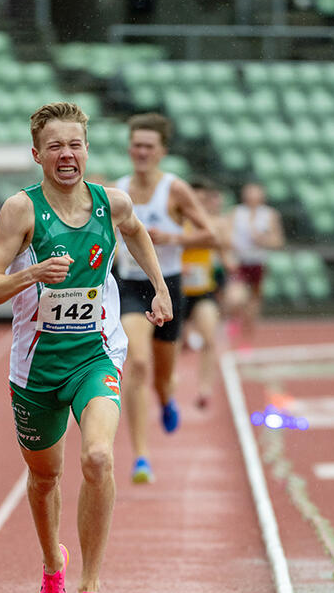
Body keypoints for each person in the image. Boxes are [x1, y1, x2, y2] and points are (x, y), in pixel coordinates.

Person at [0, 102, 174, 593]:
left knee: (99, 457)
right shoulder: (21, 211)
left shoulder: (112, 202)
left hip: (96, 354)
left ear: (87, 149)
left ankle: (91, 590)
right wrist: (32, 274)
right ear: (37, 154)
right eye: (56, 146)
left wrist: (158, 286)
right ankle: (51, 568)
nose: (67, 154)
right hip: (36, 367)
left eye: (76, 144)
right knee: (44, 479)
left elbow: (136, 231)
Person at [114, 113, 219, 484]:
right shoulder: (118, 190)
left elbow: (210, 235)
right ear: (129, 148)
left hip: (169, 288)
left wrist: (173, 239)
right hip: (129, 287)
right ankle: (141, 457)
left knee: (162, 376)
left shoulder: (175, 190)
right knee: (137, 364)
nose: (141, 152)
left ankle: (166, 399)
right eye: (136, 145)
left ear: (162, 152)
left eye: (149, 146)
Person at [181, 176, 235, 410]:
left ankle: (204, 388)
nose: (199, 204)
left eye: (203, 200)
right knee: (171, 347)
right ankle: (169, 389)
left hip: (203, 291)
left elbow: (223, 246)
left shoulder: (212, 224)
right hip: (176, 291)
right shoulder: (176, 221)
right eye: (195, 199)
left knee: (210, 339)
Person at [226, 181, 284, 345]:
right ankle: (234, 319)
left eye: (255, 193)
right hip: (240, 262)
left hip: (258, 263)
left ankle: (246, 340)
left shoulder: (269, 214)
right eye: (249, 192)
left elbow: (278, 241)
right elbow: (226, 236)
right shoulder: (236, 212)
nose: (252, 197)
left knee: (252, 307)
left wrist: (262, 239)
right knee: (234, 299)